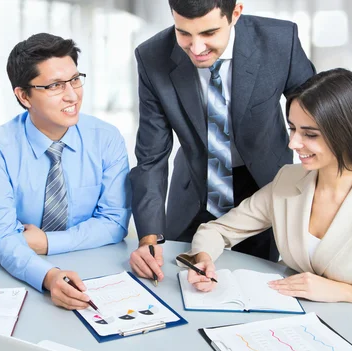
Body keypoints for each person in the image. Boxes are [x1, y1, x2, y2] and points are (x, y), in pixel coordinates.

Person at [184, 68, 352, 351]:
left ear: (346, 133)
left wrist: (349, 294)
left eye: (309, 134)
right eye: (292, 128)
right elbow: (218, 230)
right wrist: (203, 259)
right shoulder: (288, 180)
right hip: (297, 334)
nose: (293, 143)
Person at [129, 0, 315, 283]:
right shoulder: (152, 56)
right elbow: (151, 157)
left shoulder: (279, 41)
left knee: (254, 289)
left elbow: (317, 119)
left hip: (265, 190)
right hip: (194, 192)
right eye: (184, 33)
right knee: (181, 284)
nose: (197, 48)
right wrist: (148, 239)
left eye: (209, 33)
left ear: (235, 14)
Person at [0, 33, 131, 310]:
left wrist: (45, 241)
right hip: (26, 276)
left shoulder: (106, 139)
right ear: (24, 96)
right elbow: (1, 237)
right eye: (56, 85)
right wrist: (48, 276)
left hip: (99, 272)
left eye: (75, 80)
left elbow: (115, 224)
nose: (72, 95)